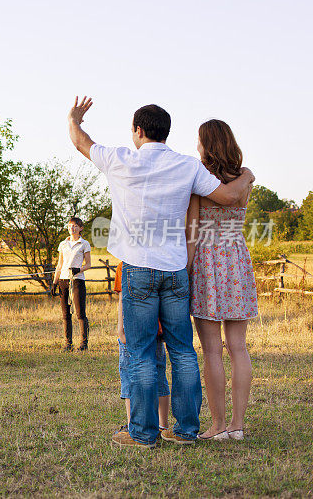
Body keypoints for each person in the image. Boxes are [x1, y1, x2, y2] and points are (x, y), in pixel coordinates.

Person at [67, 97, 254, 448]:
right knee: (183, 351)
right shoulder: (187, 166)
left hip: (138, 269)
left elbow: (80, 141)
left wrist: (74, 118)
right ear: (167, 133)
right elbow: (229, 198)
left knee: (140, 353)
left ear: (138, 131)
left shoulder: (120, 159)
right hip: (176, 270)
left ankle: (142, 432)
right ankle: (185, 430)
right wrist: (247, 174)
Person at [186, 119, 257, 441]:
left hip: (206, 261)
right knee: (239, 348)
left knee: (212, 351)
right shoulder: (244, 178)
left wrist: (184, 272)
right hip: (237, 257)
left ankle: (217, 425)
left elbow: (191, 232)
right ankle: (237, 426)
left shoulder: (199, 179)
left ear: (206, 144)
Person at [114, 262, 171, 434]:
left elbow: (123, 298)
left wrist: (120, 327)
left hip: (134, 328)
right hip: (156, 328)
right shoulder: (163, 262)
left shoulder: (124, 265)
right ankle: (162, 425)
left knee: (129, 374)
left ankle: (134, 424)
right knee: (159, 373)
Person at [52, 217, 92, 350]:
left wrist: (78, 270)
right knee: (65, 313)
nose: (72, 228)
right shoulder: (63, 244)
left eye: (75, 226)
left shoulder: (84, 244)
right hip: (63, 280)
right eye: (70, 226)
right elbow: (59, 264)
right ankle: (68, 343)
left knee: (80, 313)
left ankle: (83, 343)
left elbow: (89, 264)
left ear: (80, 228)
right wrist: (54, 282)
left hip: (77, 279)